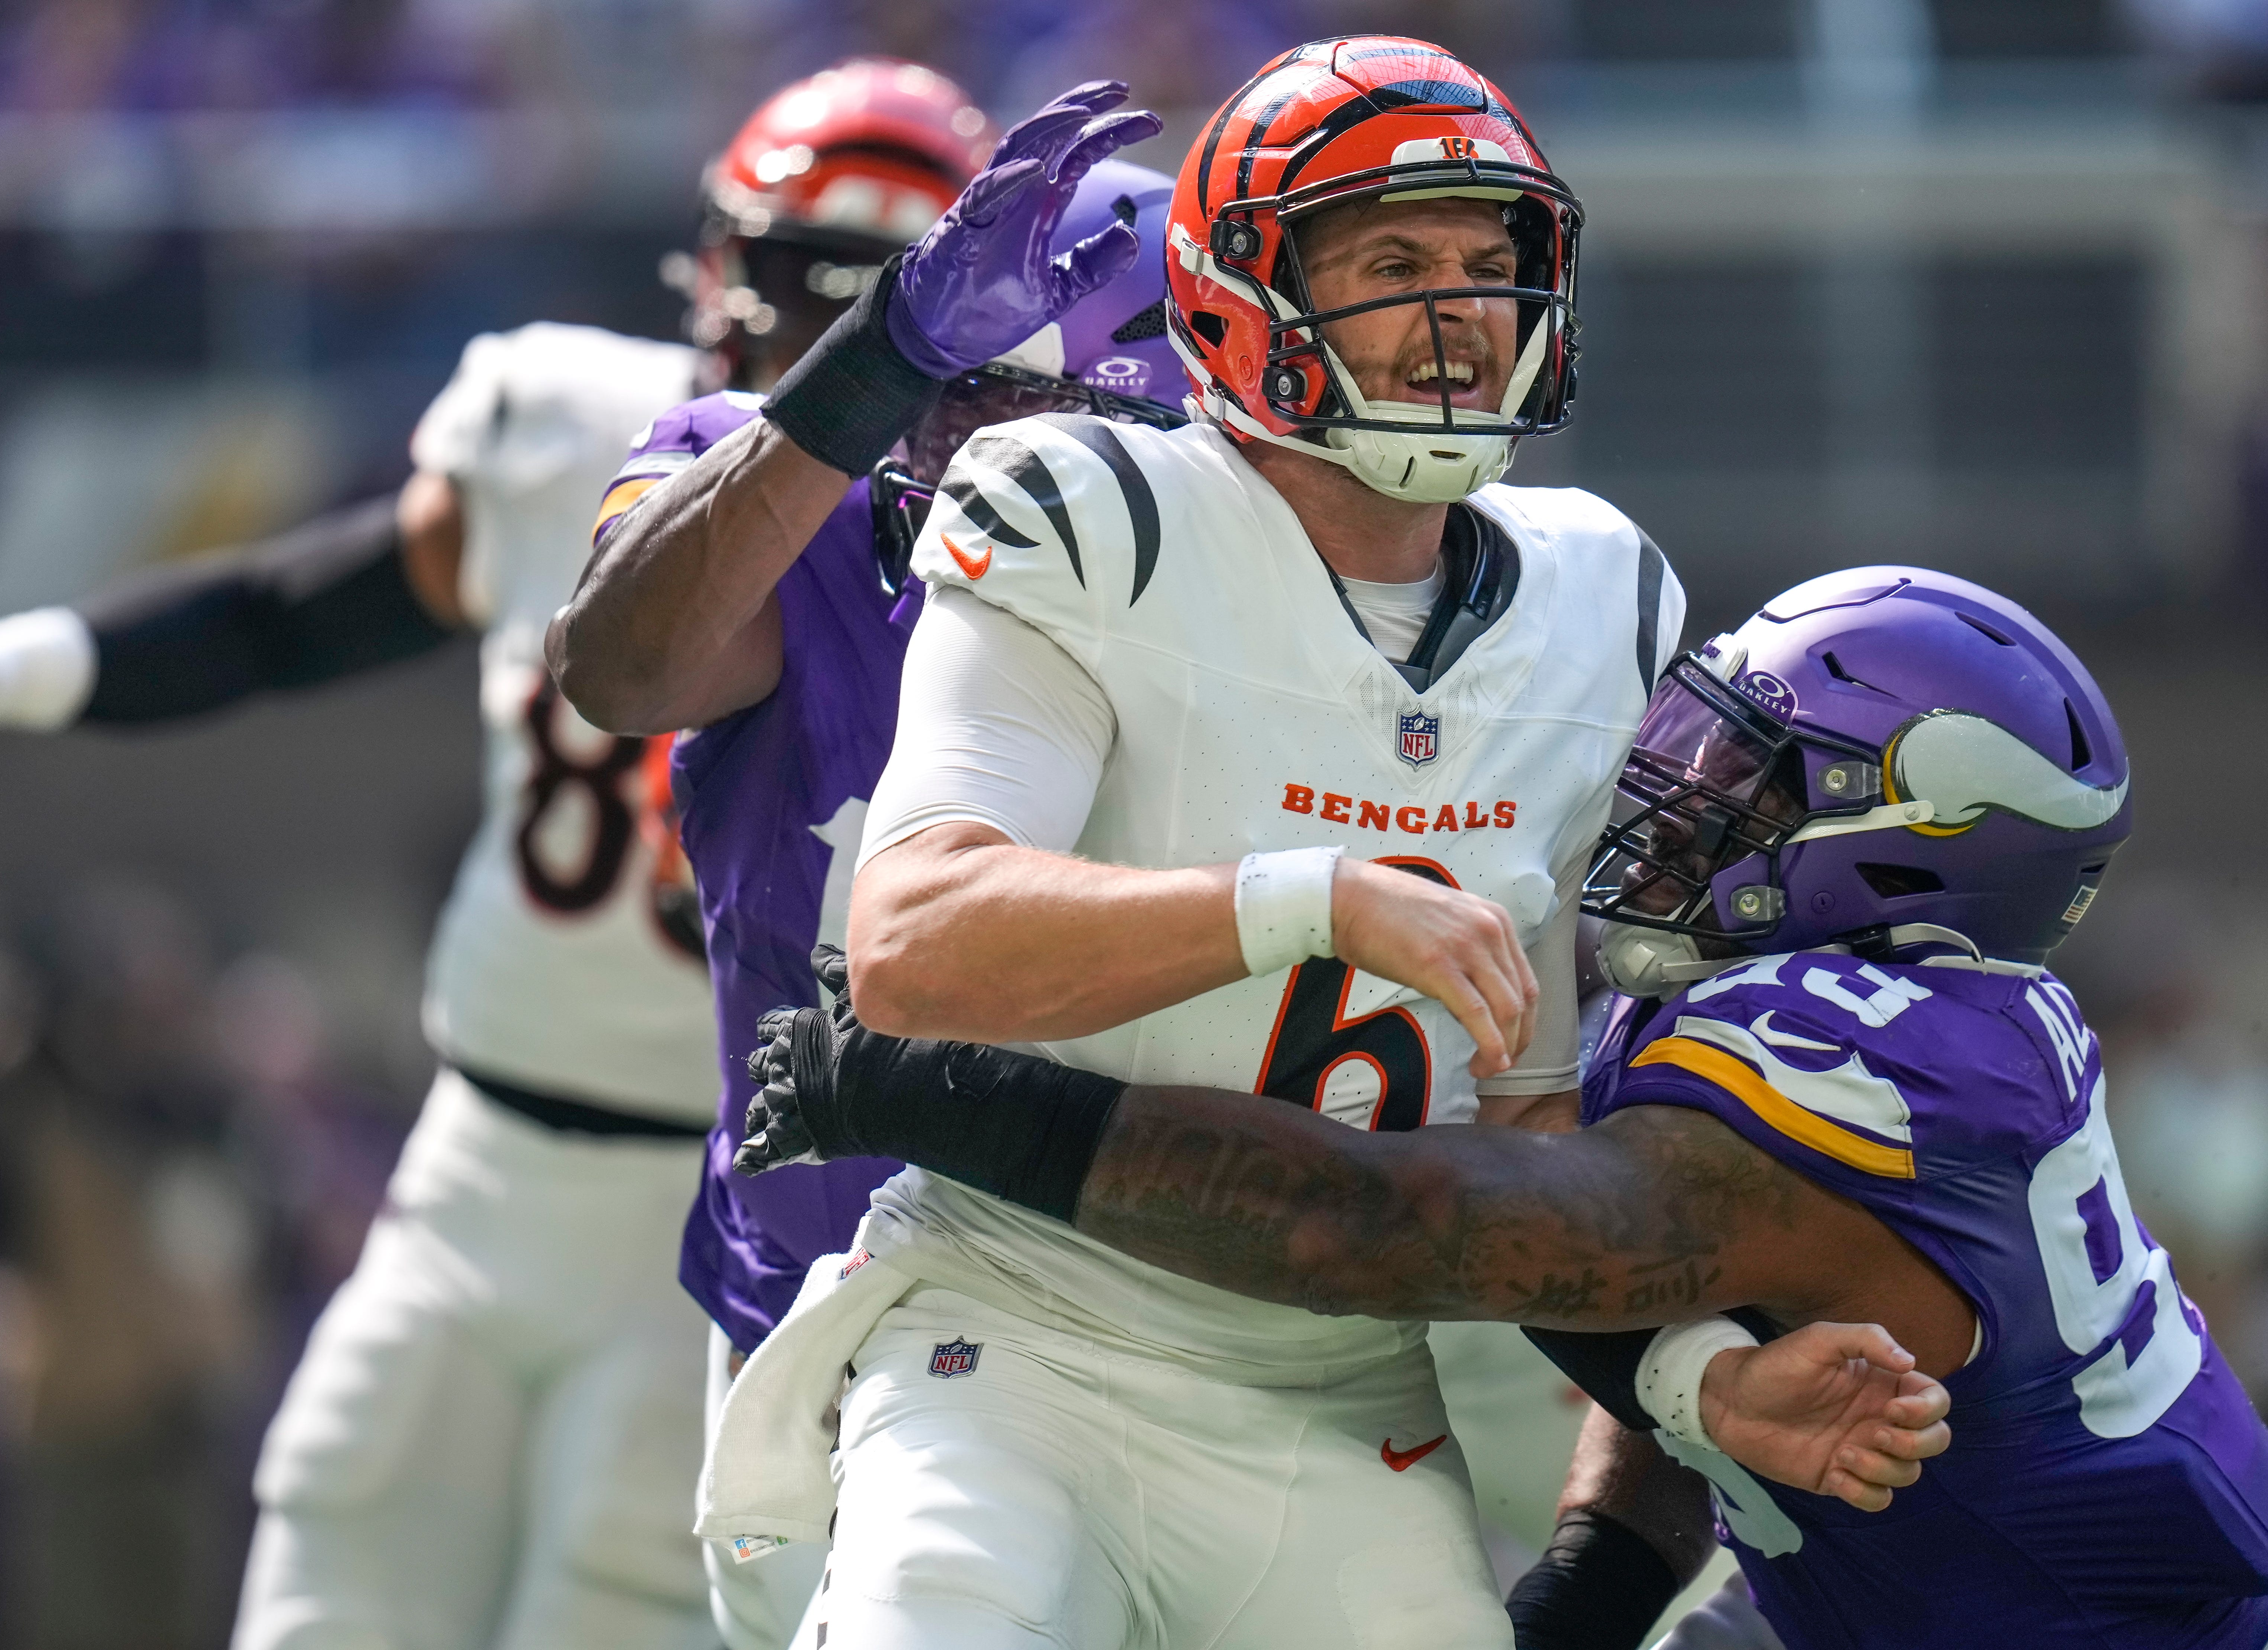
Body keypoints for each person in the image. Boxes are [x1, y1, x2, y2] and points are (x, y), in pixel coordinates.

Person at [0, 59, 990, 1650]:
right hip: (478, 1161)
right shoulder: (577, 423)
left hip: (733, 1202)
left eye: (852, 292)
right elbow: (320, 608)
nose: (793, 320)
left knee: (622, 1595)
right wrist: (36, 662)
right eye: (790, 271)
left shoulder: (999, 529)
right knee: (335, 1547)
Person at [744, 566, 2268, 1650]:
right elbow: (1691, 1288)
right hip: (1886, 1597)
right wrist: (1600, 1583)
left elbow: (1398, 1228)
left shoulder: (1859, 1071)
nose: (1680, 785)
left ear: (1903, 850)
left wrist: (947, 1094)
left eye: (1754, 772)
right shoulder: (1838, 1024)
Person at [703, 34, 1705, 1649]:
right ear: (1242, 288)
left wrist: (1704, 1383)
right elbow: (910, 939)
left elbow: (1543, 1134)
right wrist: (1303, 901)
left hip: (1341, 1381)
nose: (1458, 308)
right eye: (1392, 261)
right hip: (1020, 1335)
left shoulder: (1605, 596)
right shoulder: (1094, 510)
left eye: (1487, 259)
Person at [547, 80, 1177, 1646]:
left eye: (1051, 427)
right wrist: (875, 364)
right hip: (823, 1322)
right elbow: (621, 666)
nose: (981, 466)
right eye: (951, 403)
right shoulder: (772, 491)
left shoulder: (1253, 587)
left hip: (1168, 1323)